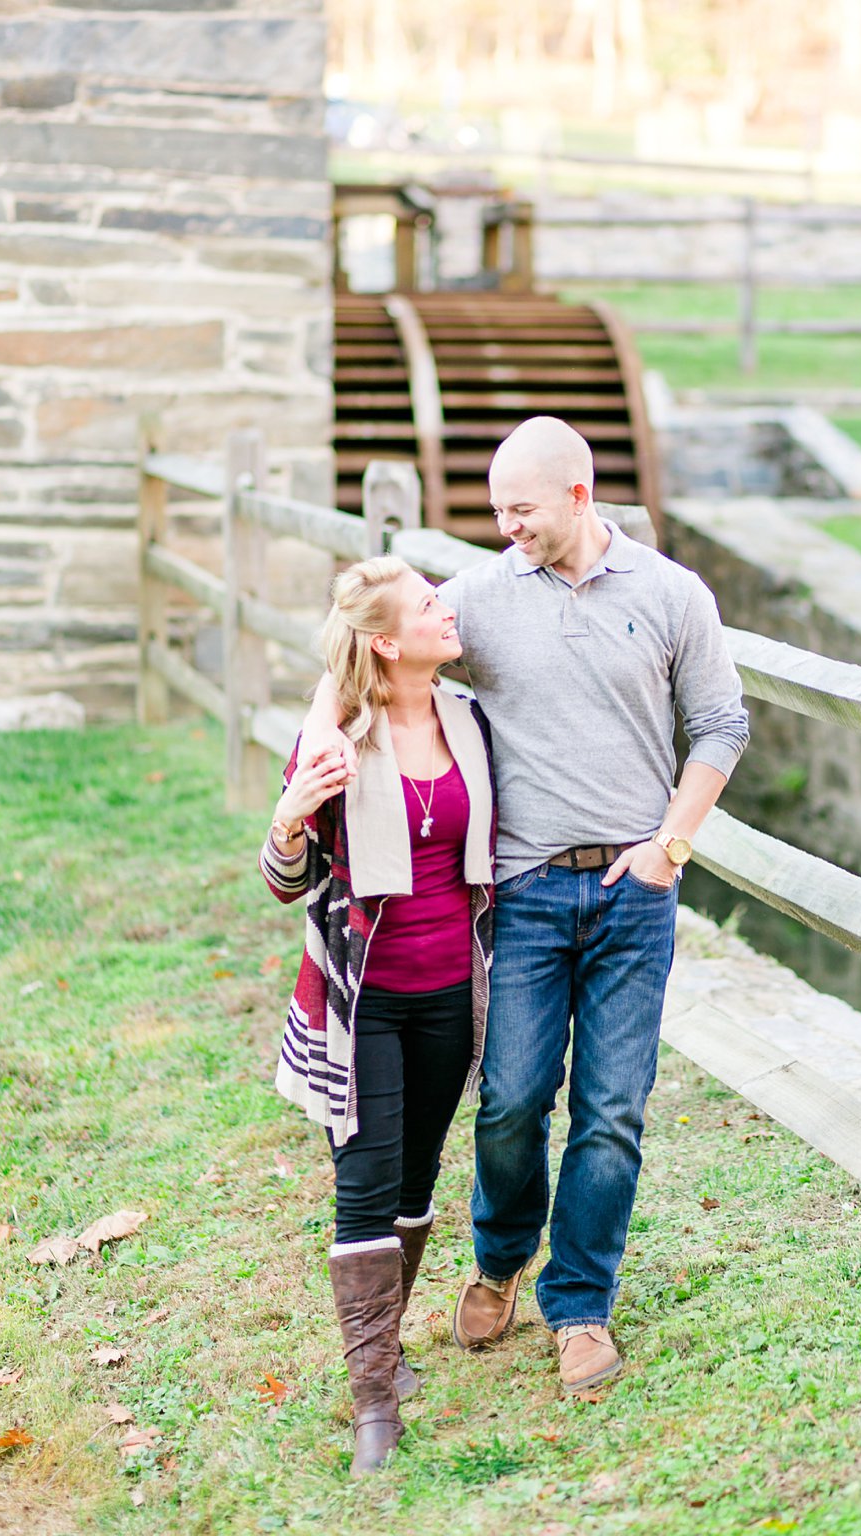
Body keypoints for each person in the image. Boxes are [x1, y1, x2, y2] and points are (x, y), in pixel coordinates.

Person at [299, 415, 749, 1395]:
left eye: (522, 510)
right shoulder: (480, 598)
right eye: (496, 510)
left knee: (613, 1109)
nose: (506, 528)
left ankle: (579, 1306)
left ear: (579, 498)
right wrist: (314, 753)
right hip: (525, 892)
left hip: (635, 895)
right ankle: (501, 1259)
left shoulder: (674, 596)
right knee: (508, 1103)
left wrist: (672, 842)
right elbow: (363, 647)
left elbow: (720, 722)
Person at [260, 556, 496, 1475]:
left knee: (415, 1180)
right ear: (388, 641)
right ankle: (372, 1410)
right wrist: (289, 815)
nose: (449, 609)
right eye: (429, 603)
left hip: (450, 995)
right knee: (364, 1184)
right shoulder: (337, 741)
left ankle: (385, 1356)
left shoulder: (471, 723)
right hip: (361, 1002)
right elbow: (285, 884)